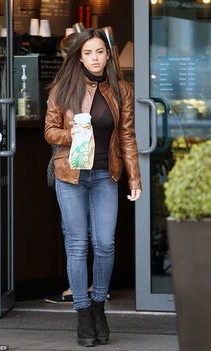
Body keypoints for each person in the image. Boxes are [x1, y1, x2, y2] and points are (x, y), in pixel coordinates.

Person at [45, 28, 142, 347]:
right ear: (79, 56)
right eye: (88, 53)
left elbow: (127, 135)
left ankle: (99, 306)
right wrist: (72, 133)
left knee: (104, 244)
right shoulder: (63, 87)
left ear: (107, 54)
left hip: (104, 175)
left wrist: (134, 177)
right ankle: (83, 314)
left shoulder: (121, 89)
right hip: (71, 175)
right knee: (77, 245)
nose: (95, 58)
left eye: (100, 52)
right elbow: (49, 132)